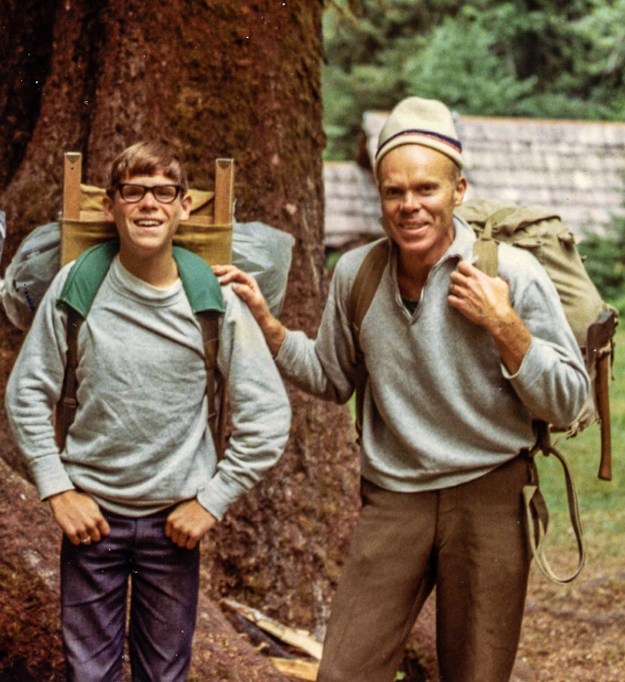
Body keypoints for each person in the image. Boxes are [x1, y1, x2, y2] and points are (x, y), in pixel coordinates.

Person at [216, 98, 590, 681]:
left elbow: (571, 399)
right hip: (394, 500)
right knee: (344, 672)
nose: (410, 205)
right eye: (394, 192)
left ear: (458, 190)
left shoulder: (510, 273)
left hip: (490, 496)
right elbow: (333, 376)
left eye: (426, 189)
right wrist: (270, 328)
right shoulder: (357, 274)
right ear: (380, 196)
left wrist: (507, 328)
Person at [6, 141, 290, 682]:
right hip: (92, 519)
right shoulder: (77, 285)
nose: (148, 205)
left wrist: (212, 501)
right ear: (111, 206)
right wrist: (58, 489)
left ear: (184, 207)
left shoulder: (213, 299)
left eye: (164, 193)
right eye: (132, 192)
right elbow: (26, 393)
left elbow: (268, 415)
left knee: (165, 673)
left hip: (175, 524)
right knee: (89, 674)